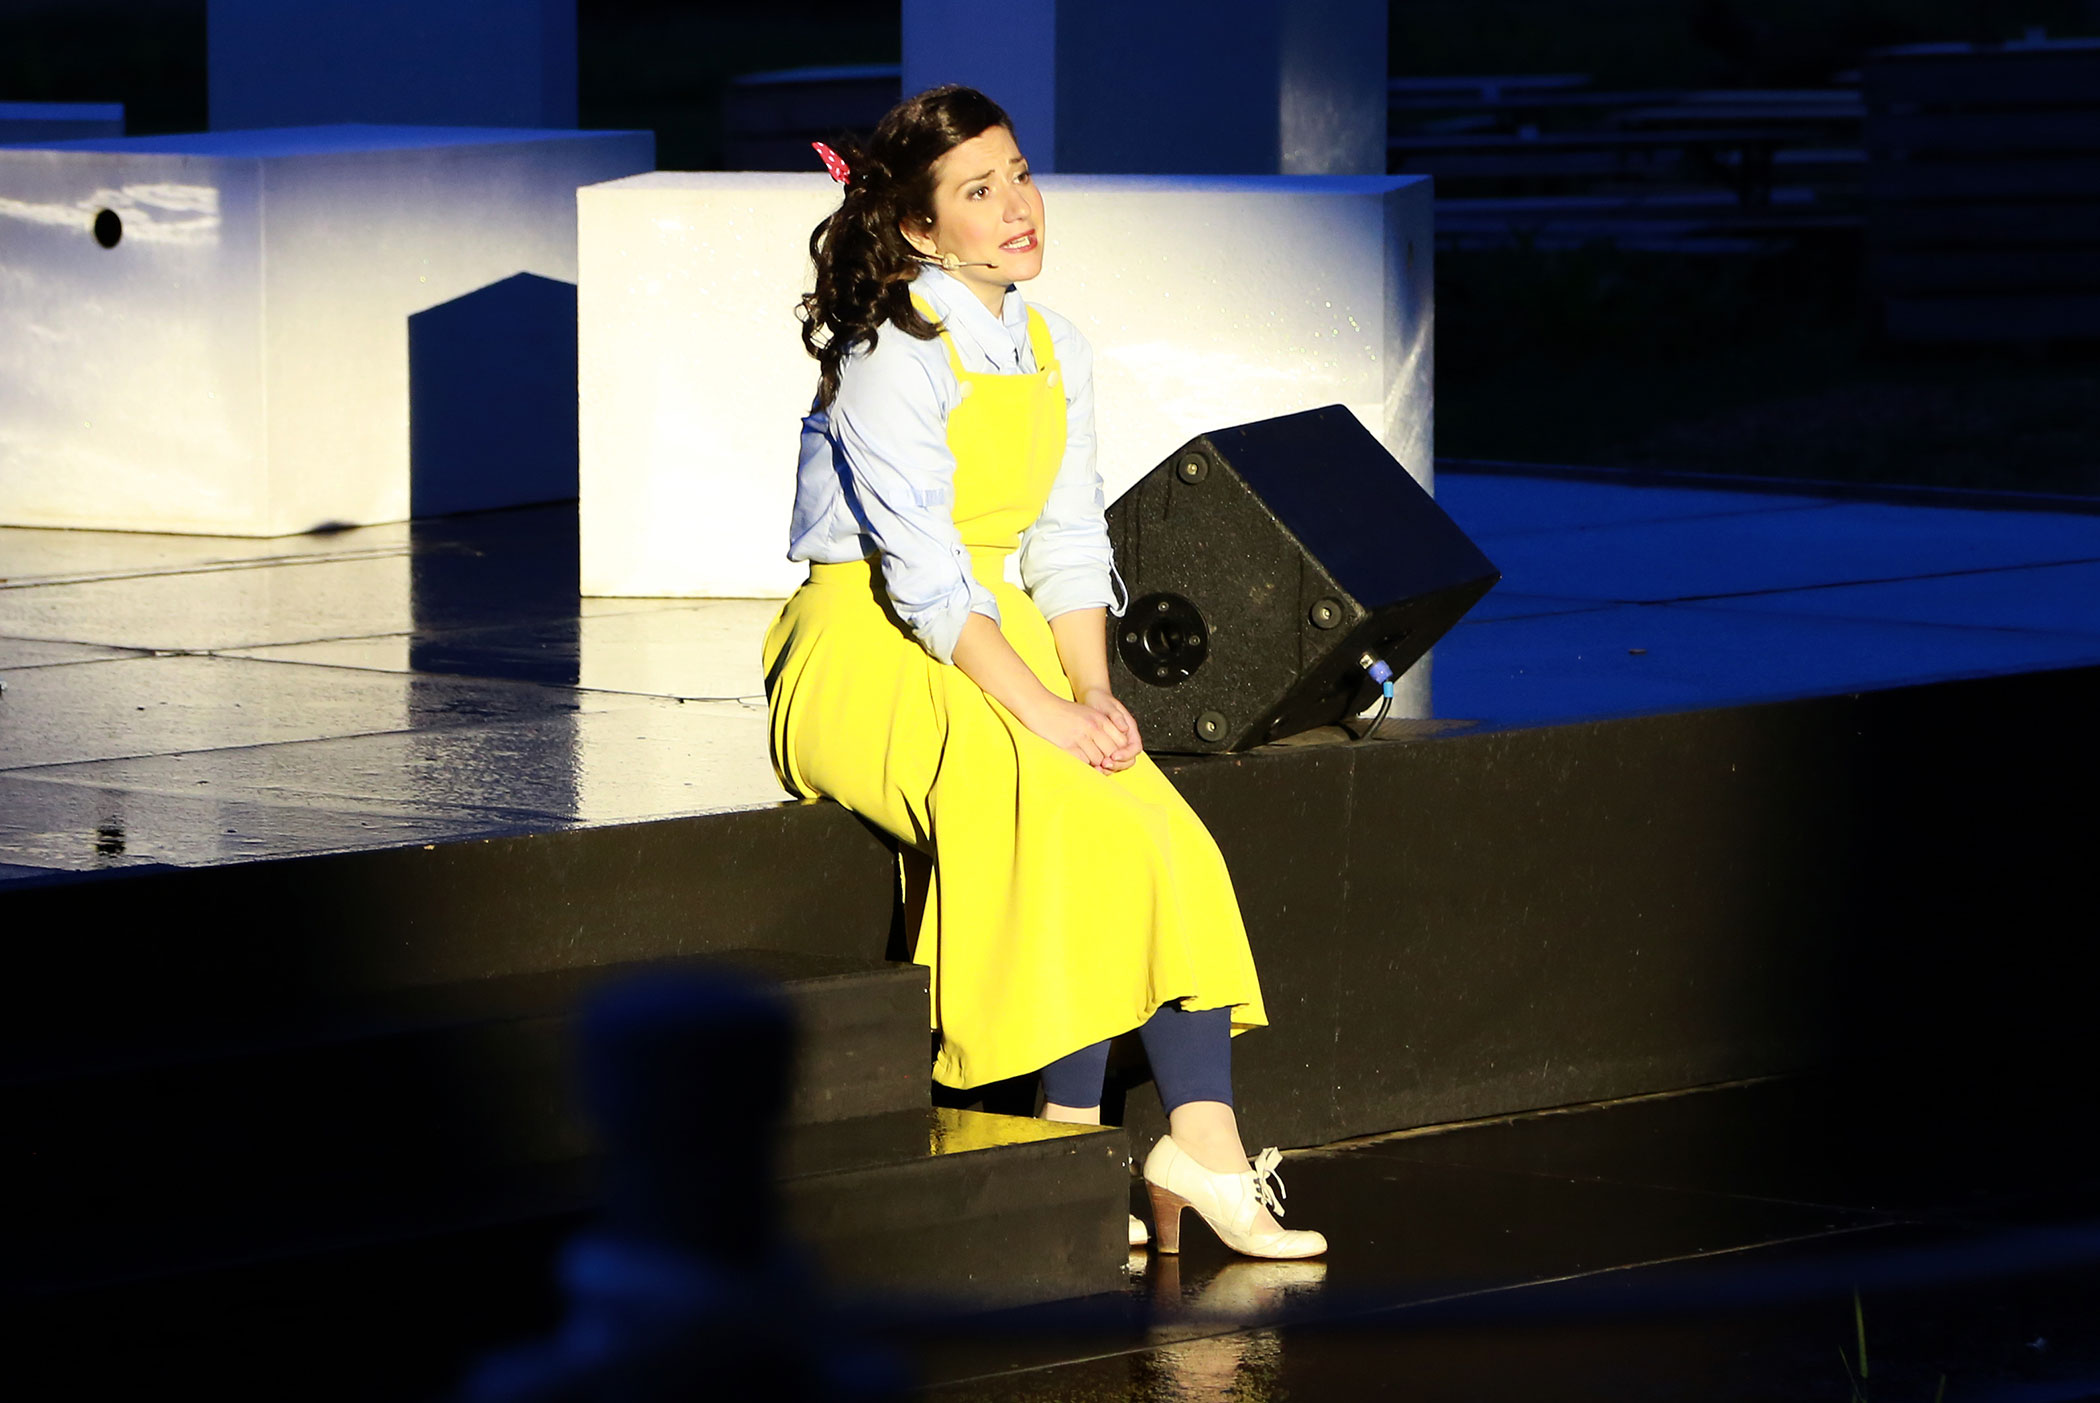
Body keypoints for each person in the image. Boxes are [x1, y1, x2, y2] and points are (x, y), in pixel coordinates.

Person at [763, 85, 1323, 1261]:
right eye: (980, 189)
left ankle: (1185, 1141)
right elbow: (923, 577)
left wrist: (1094, 691)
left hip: (995, 622)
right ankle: (1084, 1144)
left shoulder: (1054, 342)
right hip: (862, 638)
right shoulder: (891, 349)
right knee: (1054, 799)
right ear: (918, 228)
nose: (1019, 205)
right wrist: (1039, 712)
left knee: (1156, 822)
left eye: (1018, 172)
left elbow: (1068, 541)